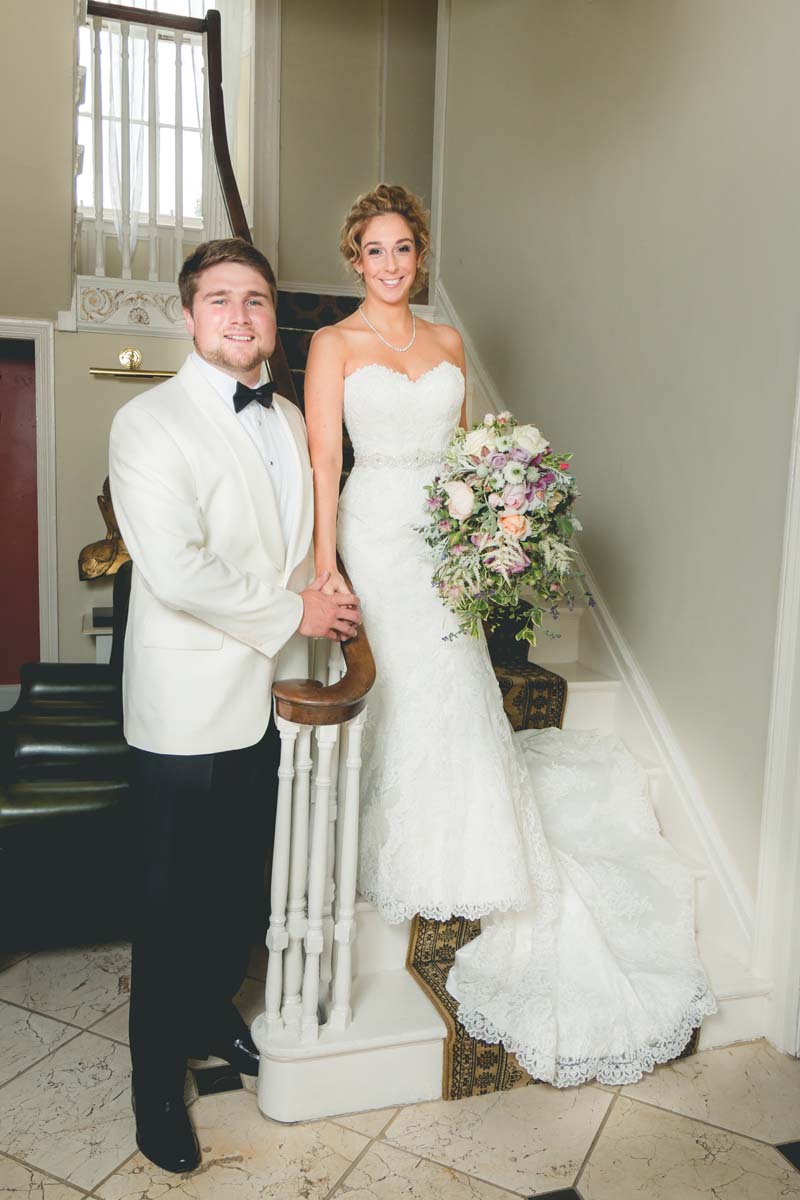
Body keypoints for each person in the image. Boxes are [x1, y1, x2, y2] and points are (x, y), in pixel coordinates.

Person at [305, 185, 716, 1088]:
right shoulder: (332, 344)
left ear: (421, 255)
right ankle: (402, 848)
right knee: (405, 683)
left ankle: (476, 847)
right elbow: (325, 460)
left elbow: (466, 456)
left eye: (404, 248)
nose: (391, 264)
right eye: (375, 250)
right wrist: (327, 565)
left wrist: (493, 524)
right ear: (354, 258)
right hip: (374, 531)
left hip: (443, 541)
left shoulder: (449, 344)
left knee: (457, 682)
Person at [109, 238, 360, 1174]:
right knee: (168, 904)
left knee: (237, 894)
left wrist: (326, 594)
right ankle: (150, 1093)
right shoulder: (147, 422)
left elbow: (301, 545)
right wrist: (298, 609)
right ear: (189, 315)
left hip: (275, 700)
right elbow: (175, 571)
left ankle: (214, 1013)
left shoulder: (293, 417)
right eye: (221, 300)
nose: (243, 316)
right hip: (184, 706)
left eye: (255, 300)